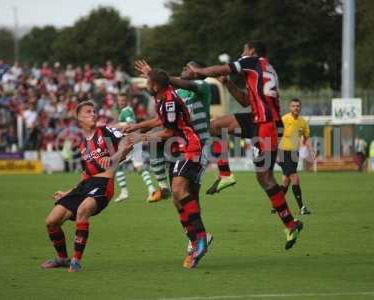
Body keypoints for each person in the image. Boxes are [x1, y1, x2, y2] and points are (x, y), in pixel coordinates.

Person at [188, 40, 303, 249]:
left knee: (265, 178)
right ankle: (225, 174)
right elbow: (244, 100)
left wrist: (199, 71)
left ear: (251, 50)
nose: (241, 53)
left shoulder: (253, 61)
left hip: (267, 125)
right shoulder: (265, 69)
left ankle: (290, 223)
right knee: (215, 126)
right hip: (258, 120)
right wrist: (227, 83)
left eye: (244, 49)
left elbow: (223, 67)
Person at [125, 68, 211, 268]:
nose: (146, 85)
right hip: (179, 149)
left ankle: (201, 238)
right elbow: (159, 121)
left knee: (180, 191)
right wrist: (136, 127)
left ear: (154, 85)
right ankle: (194, 239)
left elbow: (167, 131)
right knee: (176, 198)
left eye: (147, 82)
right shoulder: (162, 98)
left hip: (189, 146)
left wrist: (141, 137)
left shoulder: (169, 101)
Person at [41, 101, 133, 272]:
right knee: (51, 221)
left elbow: (128, 143)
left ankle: (76, 261)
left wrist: (114, 158)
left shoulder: (105, 131)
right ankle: (62, 259)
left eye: (94, 111)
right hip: (86, 185)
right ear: (78, 118)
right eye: (88, 112)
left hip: (104, 184)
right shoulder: (82, 145)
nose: (93, 114)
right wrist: (68, 192)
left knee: (83, 210)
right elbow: (85, 175)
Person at [113, 93, 159, 203]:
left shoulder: (126, 111)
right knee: (139, 166)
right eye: (119, 100)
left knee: (116, 165)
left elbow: (130, 124)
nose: (121, 102)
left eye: (123, 100)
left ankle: (124, 192)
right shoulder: (125, 110)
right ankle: (151, 189)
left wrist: (115, 126)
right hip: (134, 140)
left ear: (127, 101)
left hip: (129, 141)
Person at [276, 98, 313, 215]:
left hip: (294, 153)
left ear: (300, 107)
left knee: (286, 181)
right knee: (295, 178)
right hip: (283, 152)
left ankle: (276, 205)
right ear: (289, 107)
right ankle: (302, 207)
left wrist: (311, 150)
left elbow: (306, 138)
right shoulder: (284, 119)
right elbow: (276, 137)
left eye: (297, 106)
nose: (295, 108)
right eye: (293, 106)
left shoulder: (302, 122)